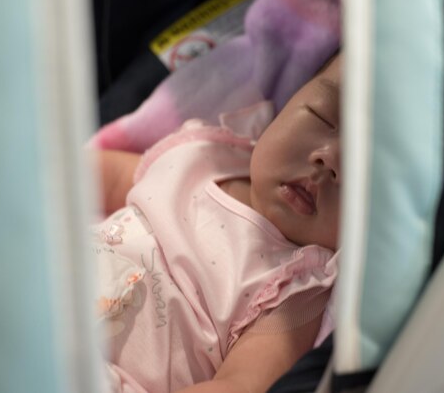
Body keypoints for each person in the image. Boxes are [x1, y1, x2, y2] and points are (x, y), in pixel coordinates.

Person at [93, 55, 342, 393]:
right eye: (322, 115)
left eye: (363, 171)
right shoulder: (204, 157)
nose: (327, 159)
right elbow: (103, 179)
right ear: (291, 100)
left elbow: (241, 385)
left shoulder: (298, 288)